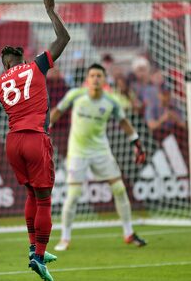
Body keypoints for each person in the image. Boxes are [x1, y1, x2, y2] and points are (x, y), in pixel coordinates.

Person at [0, 0, 70, 281]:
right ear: (22, 59)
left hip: (12, 142)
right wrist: (50, 10)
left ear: (4, 64)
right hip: (36, 138)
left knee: (29, 195)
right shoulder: (36, 65)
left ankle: (32, 248)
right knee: (45, 200)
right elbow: (63, 39)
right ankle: (39, 255)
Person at [50, 63, 147, 252]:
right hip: (78, 152)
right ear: (87, 79)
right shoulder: (76, 95)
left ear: (104, 80)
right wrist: (46, 128)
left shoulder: (111, 101)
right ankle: (65, 238)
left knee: (119, 188)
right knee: (74, 194)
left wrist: (137, 143)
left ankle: (128, 233)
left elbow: (124, 122)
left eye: (99, 76)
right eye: (92, 75)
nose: (95, 79)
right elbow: (58, 111)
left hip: (101, 151)